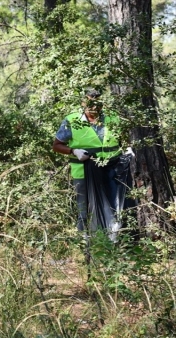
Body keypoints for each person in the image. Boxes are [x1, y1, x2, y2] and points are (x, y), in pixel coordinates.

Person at [52, 89, 123, 244]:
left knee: (114, 205)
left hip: (111, 170)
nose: (94, 106)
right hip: (83, 172)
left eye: (97, 102)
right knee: (84, 209)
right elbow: (56, 145)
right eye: (90, 102)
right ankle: (84, 243)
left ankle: (113, 241)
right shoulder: (72, 120)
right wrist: (73, 151)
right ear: (83, 103)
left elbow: (122, 141)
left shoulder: (113, 118)